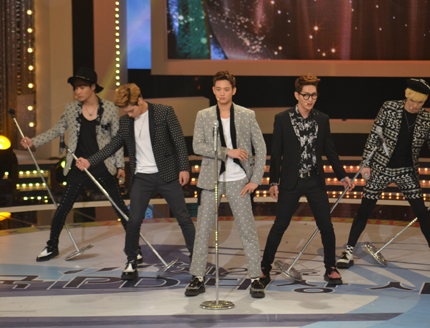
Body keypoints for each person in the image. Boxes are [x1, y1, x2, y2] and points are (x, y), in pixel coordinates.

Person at [336, 78, 430, 271]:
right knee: (364, 209)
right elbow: (374, 135)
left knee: (421, 211)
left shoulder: (427, 119)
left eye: (420, 102)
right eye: (412, 101)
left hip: (407, 171)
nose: (415, 105)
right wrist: (366, 164)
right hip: (381, 167)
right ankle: (348, 251)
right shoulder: (389, 108)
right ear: (407, 95)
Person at [76, 83, 195, 280]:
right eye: (126, 112)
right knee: (133, 221)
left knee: (183, 217)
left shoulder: (164, 112)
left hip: (166, 174)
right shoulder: (125, 122)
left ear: (140, 100)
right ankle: (131, 260)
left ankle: (196, 256)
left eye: (131, 110)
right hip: (142, 177)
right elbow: (112, 146)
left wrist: (184, 167)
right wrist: (90, 161)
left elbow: (179, 141)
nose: (130, 115)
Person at [20, 67, 131, 262]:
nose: (77, 91)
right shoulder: (72, 109)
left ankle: (134, 248)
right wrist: (33, 142)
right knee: (63, 207)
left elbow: (116, 140)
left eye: (82, 87)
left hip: (103, 166)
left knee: (119, 208)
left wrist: (120, 166)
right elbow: (57, 130)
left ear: (93, 87)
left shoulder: (110, 109)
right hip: (79, 166)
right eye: (75, 88)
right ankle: (52, 246)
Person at [260, 75, 354, 286]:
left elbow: (330, 151)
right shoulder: (282, 119)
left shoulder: (322, 118)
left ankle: (330, 268)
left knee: (326, 226)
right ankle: (264, 267)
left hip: (314, 181)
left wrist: (342, 175)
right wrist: (273, 182)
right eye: (306, 95)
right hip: (290, 181)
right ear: (297, 95)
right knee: (280, 225)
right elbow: (276, 154)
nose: (310, 99)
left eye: (314, 95)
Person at [185, 71, 267, 298]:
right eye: (218, 89)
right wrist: (226, 152)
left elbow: (261, 147)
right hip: (211, 180)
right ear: (213, 91)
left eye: (226, 89)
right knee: (203, 230)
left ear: (234, 91)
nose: (222, 93)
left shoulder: (246, 115)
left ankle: (255, 278)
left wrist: (255, 179)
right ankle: (197, 277)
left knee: (247, 230)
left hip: (239, 180)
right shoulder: (204, 115)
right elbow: (197, 146)